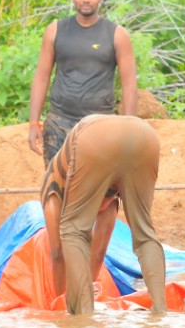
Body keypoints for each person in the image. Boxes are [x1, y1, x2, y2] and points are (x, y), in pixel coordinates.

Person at [40, 114, 165, 315]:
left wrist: (61, 306)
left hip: (97, 139)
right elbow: (97, 253)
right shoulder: (109, 197)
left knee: (73, 230)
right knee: (145, 235)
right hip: (145, 136)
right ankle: (161, 314)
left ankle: (83, 319)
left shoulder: (53, 186)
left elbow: (57, 252)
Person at [28, 0, 139, 165]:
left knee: (101, 191)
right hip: (59, 123)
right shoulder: (55, 30)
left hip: (100, 125)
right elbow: (41, 78)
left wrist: (129, 132)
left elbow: (129, 84)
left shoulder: (117, 35)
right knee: (56, 187)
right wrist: (33, 123)